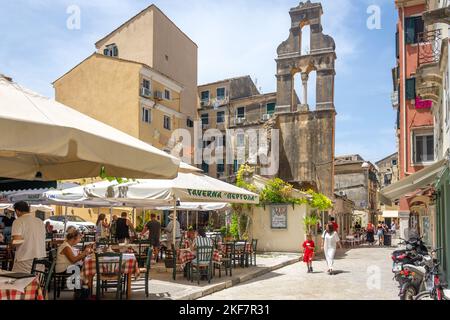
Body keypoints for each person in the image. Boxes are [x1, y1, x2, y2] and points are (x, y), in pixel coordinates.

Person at [11, 201, 46, 273]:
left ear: (17, 211)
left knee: (19, 282)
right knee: (36, 282)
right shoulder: (40, 221)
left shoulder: (18, 221)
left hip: (24, 259)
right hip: (40, 258)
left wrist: (11, 244)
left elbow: (17, 241)